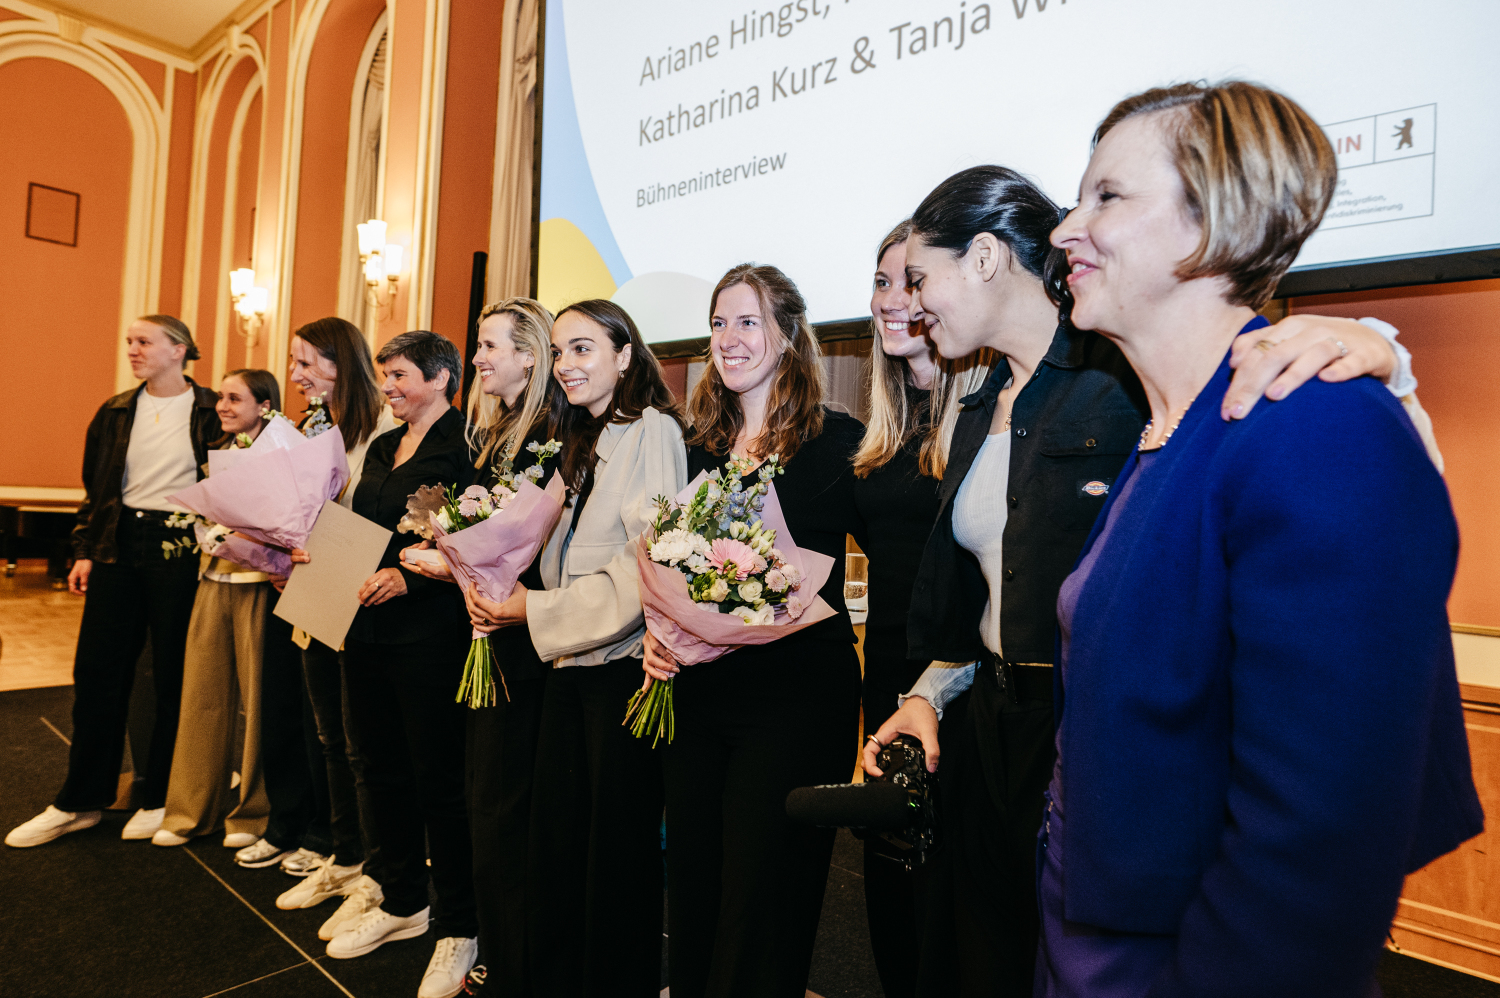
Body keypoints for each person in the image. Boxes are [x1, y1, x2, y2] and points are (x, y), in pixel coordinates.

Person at [860, 165, 1423, 997]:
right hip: (989, 734)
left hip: (1097, 735)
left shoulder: (1120, 380)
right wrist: (928, 696)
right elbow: (983, 604)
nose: (909, 302)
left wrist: (1379, 349)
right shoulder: (977, 408)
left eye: (917, 278)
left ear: (981, 258)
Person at [1031, 80, 1479, 996]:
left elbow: (1320, 838)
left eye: (1106, 196)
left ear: (1216, 221)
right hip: (1093, 935)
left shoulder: (1320, 428)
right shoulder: (1171, 432)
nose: (1066, 229)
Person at [642, 264, 867, 998]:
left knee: (766, 884)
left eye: (748, 322)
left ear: (789, 334)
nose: (728, 339)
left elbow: (902, 560)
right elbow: (667, 561)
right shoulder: (696, 443)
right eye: (718, 323)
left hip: (796, 696)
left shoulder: (837, 442)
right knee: (696, 871)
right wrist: (657, 632)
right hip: (699, 693)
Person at [465, 298, 685, 998]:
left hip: (619, 670)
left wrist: (531, 607)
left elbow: (645, 566)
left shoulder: (651, 430)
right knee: (564, 847)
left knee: (614, 859)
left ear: (626, 355)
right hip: (569, 664)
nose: (565, 365)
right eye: (559, 352)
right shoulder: (580, 436)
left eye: (583, 349)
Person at [8, 316, 221, 849]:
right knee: (97, 673)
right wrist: (85, 550)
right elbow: (97, 488)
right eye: (129, 341)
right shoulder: (115, 410)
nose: (132, 349)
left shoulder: (212, 409)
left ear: (179, 350)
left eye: (144, 341)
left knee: (171, 674)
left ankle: (161, 797)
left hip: (180, 546)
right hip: (118, 543)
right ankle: (80, 801)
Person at [400, 297, 560, 996]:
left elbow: (539, 548)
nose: (479, 358)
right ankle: (495, 950)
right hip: (489, 631)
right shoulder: (494, 437)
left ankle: (513, 962)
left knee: (506, 807)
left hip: (527, 642)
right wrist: (452, 561)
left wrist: (463, 567)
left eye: (491, 345)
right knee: (484, 800)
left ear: (530, 355)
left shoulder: (551, 437)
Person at [851, 220, 991, 998]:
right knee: (889, 895)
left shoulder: (995, 419)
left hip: (967, 689)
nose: (892, 299)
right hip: (888, 684)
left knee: (959, 909)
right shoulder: (875, 441)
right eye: (881, 282)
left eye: (910, 280)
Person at [319, 331, 481, 998]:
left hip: (431, 636)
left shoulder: (467, 447)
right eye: (385, 374)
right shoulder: (385, 446)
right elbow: (367, 532)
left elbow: (481, 543)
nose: (387, 385)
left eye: (400, 374)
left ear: (441, 378)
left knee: (438, 779)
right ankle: (401, 899)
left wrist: (411, 579)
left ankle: (460, 924)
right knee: (377, 767)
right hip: (365, 631)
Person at [264, 317, 395, 896]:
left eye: (305, 362)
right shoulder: (319, 429)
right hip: (319, 588)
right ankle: (343, 853)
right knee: (329, 738)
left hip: (364, 596)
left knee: (363, 743)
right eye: (293, 362)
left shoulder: (388, 426)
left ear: (341, 363)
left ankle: (375, 863)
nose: (295, 375)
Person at [150, 370, 285, 850]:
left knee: (260, 706)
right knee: (201, 697)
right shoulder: (220, 452)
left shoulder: (283, 455)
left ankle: (253, 814)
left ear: (264, 406)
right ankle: (189, 811)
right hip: (212, 580)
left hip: (259, 587)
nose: (222, 406)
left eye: (234, 398)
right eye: (221, 397)